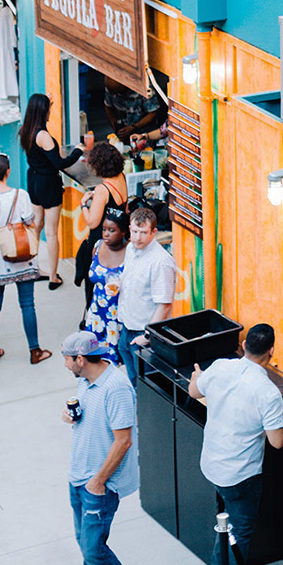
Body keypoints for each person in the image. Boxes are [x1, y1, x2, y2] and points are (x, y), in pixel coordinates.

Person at [189, 322, 283, 565]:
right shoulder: (267, 392)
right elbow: (278, 440)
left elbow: (193, 392)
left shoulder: (221, 367)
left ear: (244, 344)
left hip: (211, 462)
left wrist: (198, 376)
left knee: (226, 521)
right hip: (241, 473)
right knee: (239, 529)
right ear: (271, 352)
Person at [62, 330, 142, 565]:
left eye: (67, 359)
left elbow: (123, 442)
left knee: (94, 547)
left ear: (80, 359)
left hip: (99, 482)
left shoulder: (116, 388)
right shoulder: (85, 382)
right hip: (79, 475)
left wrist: (98, 481)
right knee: (86, 543)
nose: (66, 365)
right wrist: (71, 415)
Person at [0, 153, 51, 367]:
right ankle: (35, 351)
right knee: (27, 304)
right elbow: (30, 222)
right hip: (19, 255)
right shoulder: (19, 195)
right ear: (8, 171)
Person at [20, 92, 85, 290]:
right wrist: (78, 150)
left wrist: (49, 100)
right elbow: (59, 163)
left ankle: (33, 268)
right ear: (42, 112)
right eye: (48, 109)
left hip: (34, 180)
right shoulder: (44, 136)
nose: (50, 112)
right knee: (51, 231)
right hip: (49, 184)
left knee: (37, 225)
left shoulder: (26, 129)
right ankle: (53, 276)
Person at [115, 205, 176, 384]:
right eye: (134, 231)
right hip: (126, 327)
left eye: (143, 232)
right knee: (133, 379)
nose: (137, 237)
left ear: (154, 232)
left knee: (147, 384)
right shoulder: (130, 250)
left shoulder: (160, 262)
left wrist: (148, 336)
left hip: (143, 334)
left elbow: (165, 304)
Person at [76, 140, 128, 307]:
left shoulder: (102, 190)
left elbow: (92, 222)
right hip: (117, 239)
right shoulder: (122, 178)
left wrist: (84, 204)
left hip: (100, 241)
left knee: (93, 286)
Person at [84, 206, 128, 363]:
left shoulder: (131, 253)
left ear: (123, 232)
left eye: (111, 230)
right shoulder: (97, 246)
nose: (106, 234)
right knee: (94, 360)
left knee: (116, 360)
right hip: (96, 314)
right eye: (104, 229)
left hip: (118, 317)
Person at [104, 77, 163, 143]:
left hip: (144, 134)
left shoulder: (144, 87)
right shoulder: (111, 88)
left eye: (119, 92)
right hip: (124, 134)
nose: (116, 95)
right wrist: (115, 127)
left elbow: (153, 113)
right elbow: (108, 107)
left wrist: (134, 127)